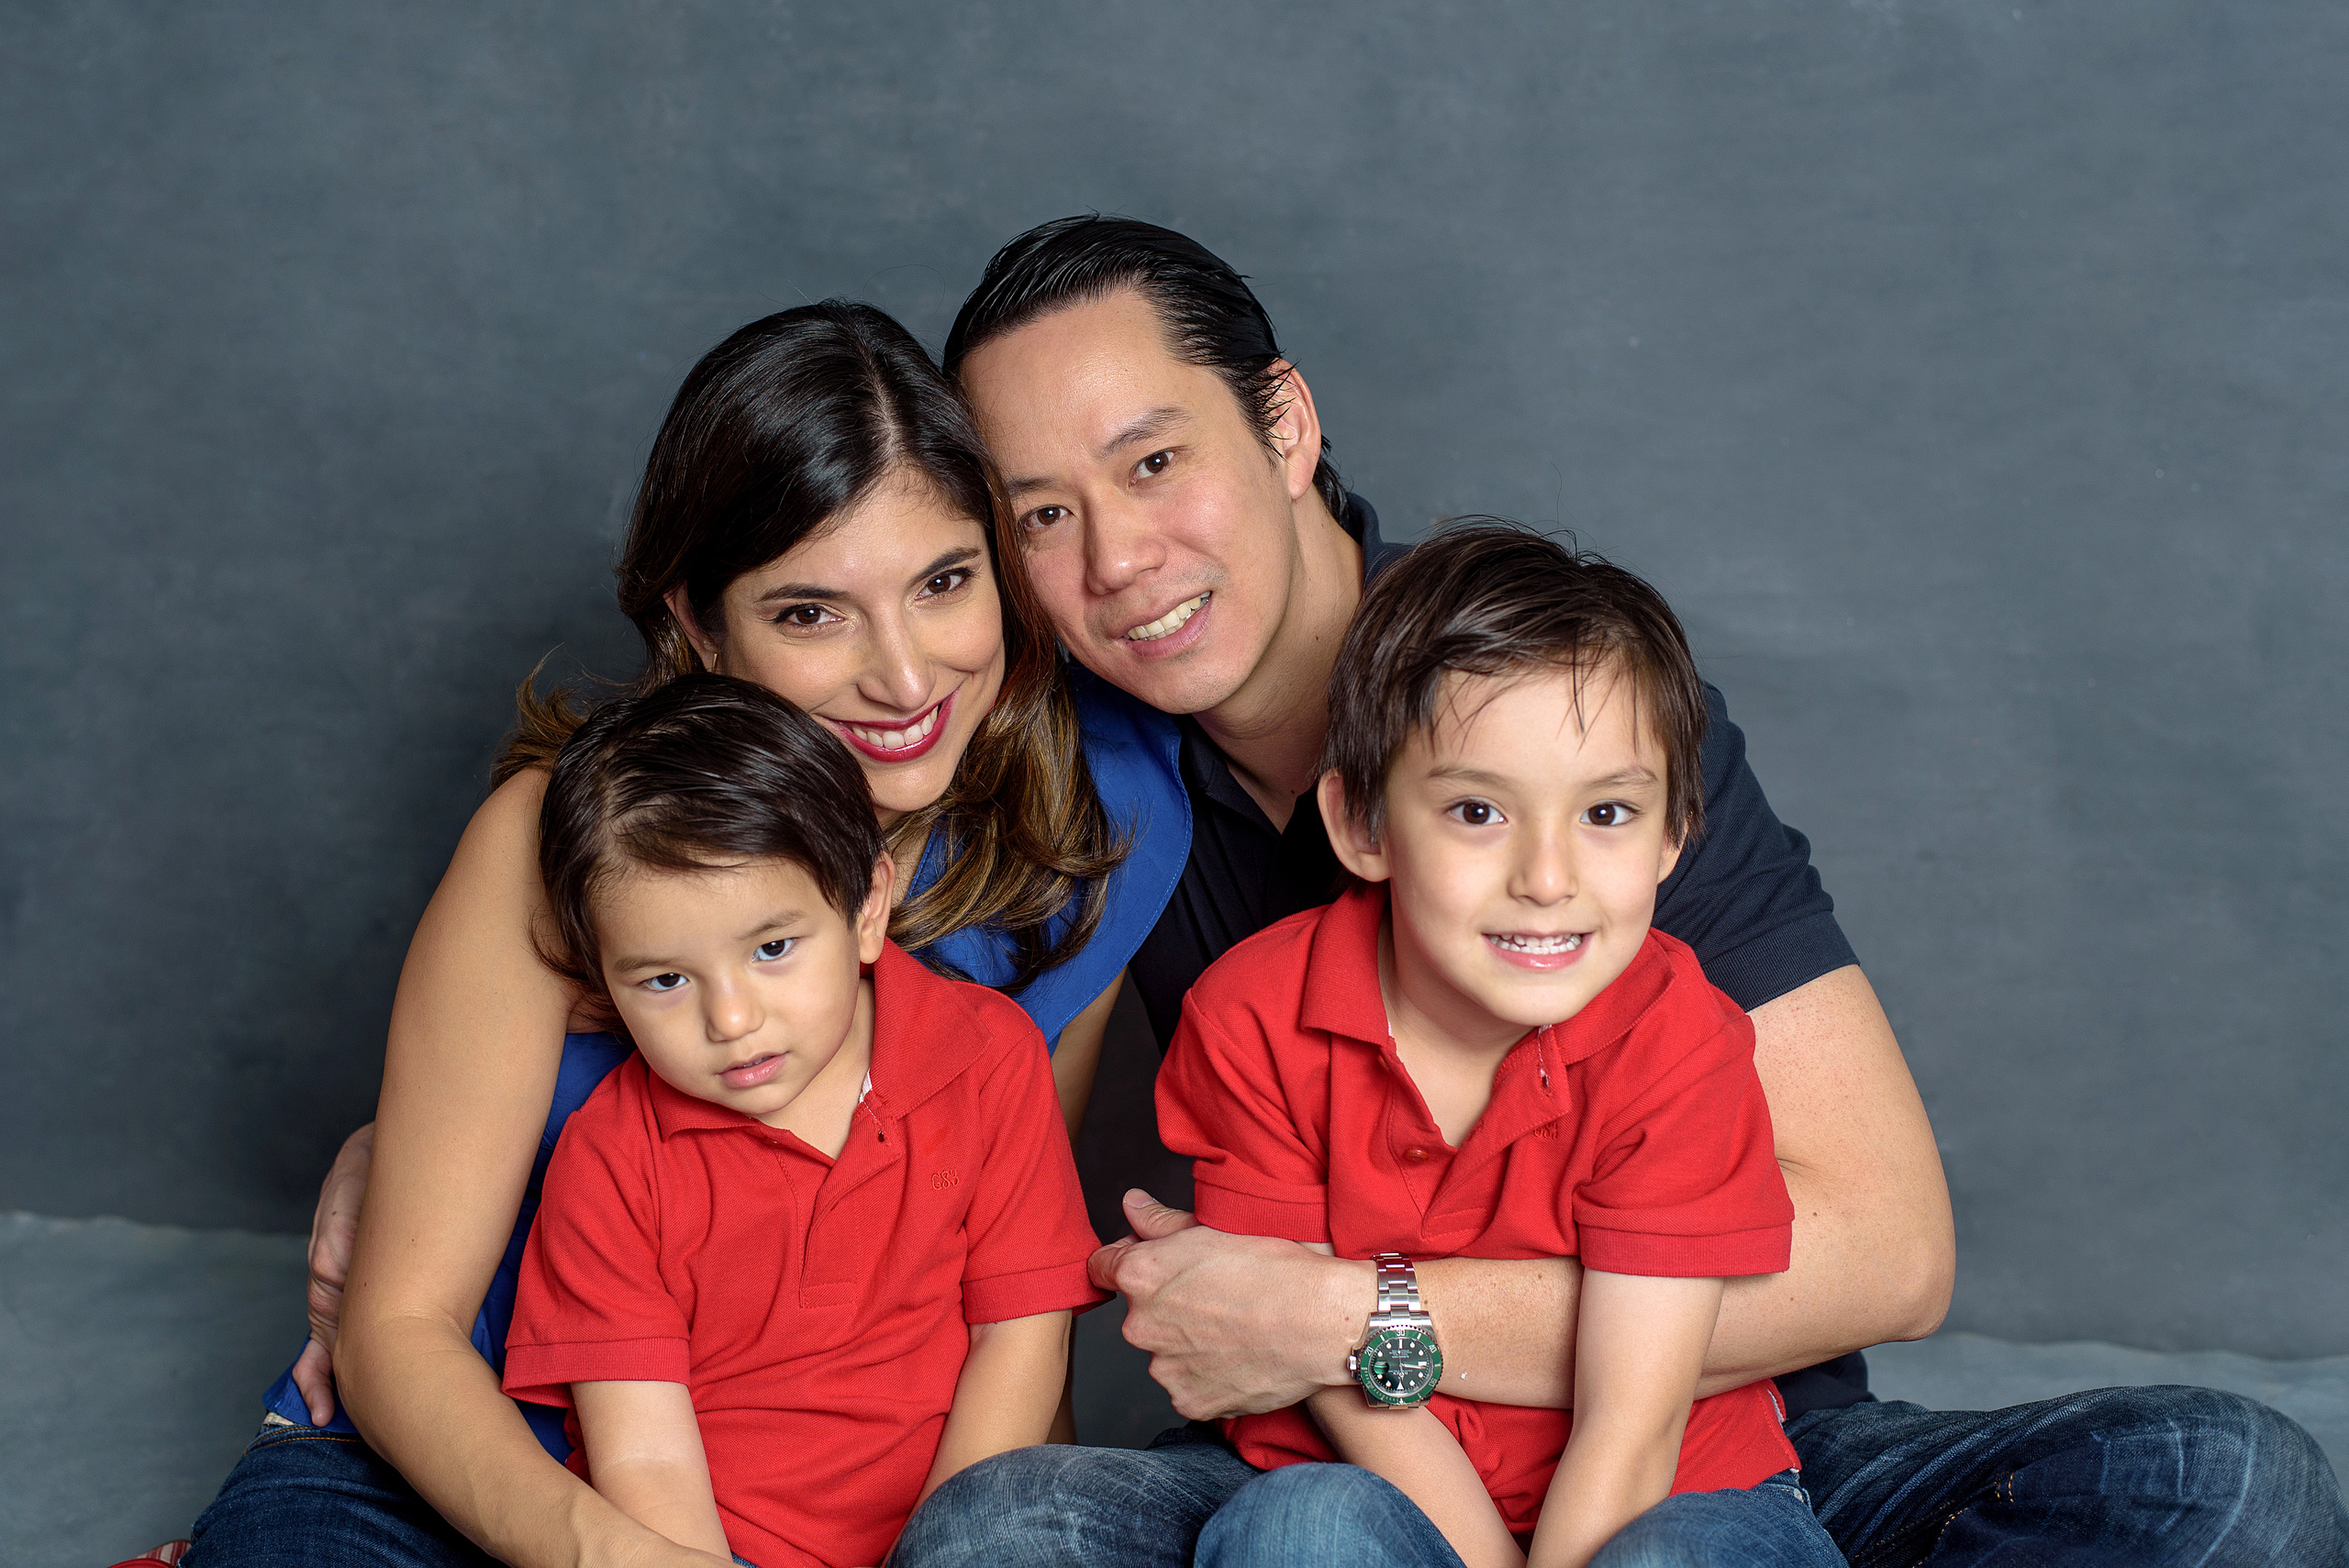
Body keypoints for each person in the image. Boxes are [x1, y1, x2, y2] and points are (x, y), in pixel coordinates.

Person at [891, 216, 2348, 1565]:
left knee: (2225, 1486)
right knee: (1004, 1529)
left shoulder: (1568, 716)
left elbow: (1890, 1254)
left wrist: (1352, 1318)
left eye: (1153, 464)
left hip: (1710, 1442)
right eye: (1042, 517)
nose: (1121, 560)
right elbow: (980, 1186)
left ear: (1285, 423)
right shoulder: (1071, 777)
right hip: (1345, 1471)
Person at [177, 299, 1187, 1568]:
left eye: (943, 583)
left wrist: (979, 1542)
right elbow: (400, 1330)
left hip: (836, 1498)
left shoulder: (1085, 842)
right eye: (810, 614)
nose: (906, 676)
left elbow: (1006, 1301)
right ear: (701, 627)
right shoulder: (548, 843)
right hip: (493, 1459)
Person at [1157, 523, 1841, 1568]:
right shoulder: (1249, 1014)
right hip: (1380, 1479)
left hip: (1674, 1488)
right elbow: (1313, 1354)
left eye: (1606, 811)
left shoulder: (1679, 1039)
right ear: (1363, 826)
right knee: (1295, 1528)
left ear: (1673, 837)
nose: (1547, 875)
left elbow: (1631, 1425)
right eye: (1478, 810)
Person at [502, 674, 1101, 1568]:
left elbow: (1019, 1338)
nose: (731, 1019)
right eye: (664, 979)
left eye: (772, 948)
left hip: (960, 1527)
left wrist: (956, 1546)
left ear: (866, 908)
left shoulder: (985, 1057)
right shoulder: (609, 1157)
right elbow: (644, 1452)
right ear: (602, 978)